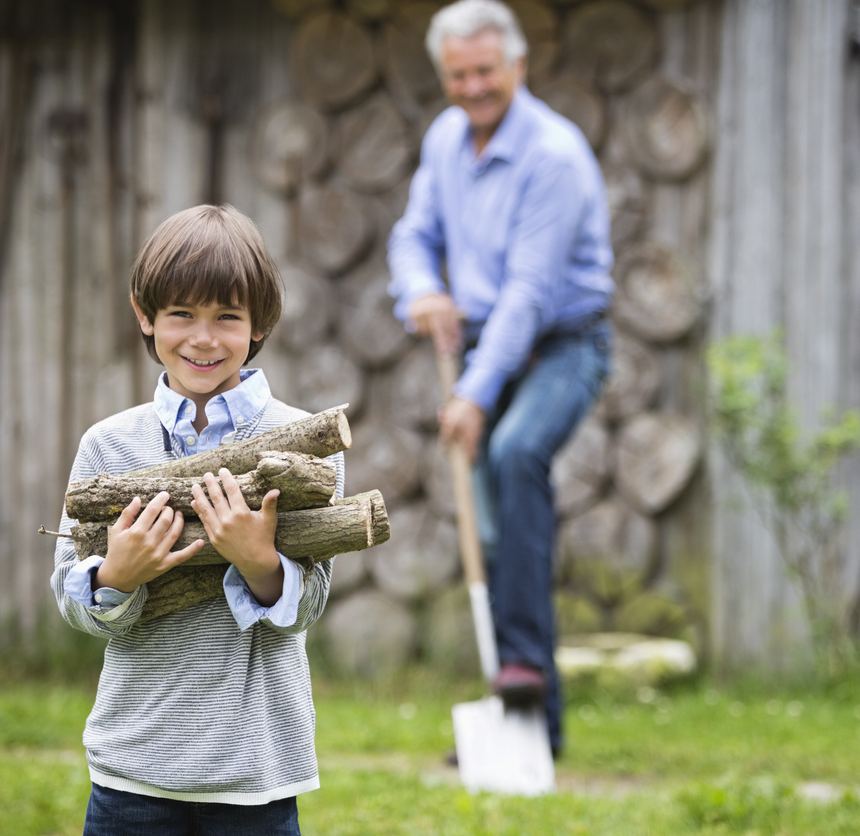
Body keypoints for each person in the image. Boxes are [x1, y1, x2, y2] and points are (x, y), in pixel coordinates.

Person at [50, 204, 342, 835]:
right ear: (145, 315)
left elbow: (308, 606)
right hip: (133, 770)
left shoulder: (301, 447)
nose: (203, 338)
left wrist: (257, 559)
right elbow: (72, 602)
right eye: (181, 313)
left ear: (258, 323)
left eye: (226, 317)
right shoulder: (108, 448)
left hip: (255, 770)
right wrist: (116, 575)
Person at [387, 0, 614, 755]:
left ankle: (525, 689)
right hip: (485, 343)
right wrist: (421, 288)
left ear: (517, 66)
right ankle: (525, 726)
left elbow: (528, 293)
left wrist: (475, 397)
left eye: (486, 71)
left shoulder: (555, 156)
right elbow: (413, 234)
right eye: (458, 75)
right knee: (497, 527)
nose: (473, 87)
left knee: (517, 457)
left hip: (562, 346)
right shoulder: (446, 140)